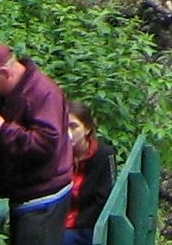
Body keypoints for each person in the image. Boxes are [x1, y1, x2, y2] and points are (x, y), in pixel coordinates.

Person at [0, 42, 73, 245]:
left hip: (43, 200)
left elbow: (46, 145)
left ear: (5, 72)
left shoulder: (43, 94)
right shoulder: (9, 92)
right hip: (23, 195)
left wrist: (3, 130)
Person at [60, 105, 112, 245]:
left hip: (88, 225)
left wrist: (77, 222)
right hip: (59, 221)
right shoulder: (56, 154)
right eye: (63, 126)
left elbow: (104, 197)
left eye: (73, 126)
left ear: (87, 128)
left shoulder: (103, 155)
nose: (68, 132)